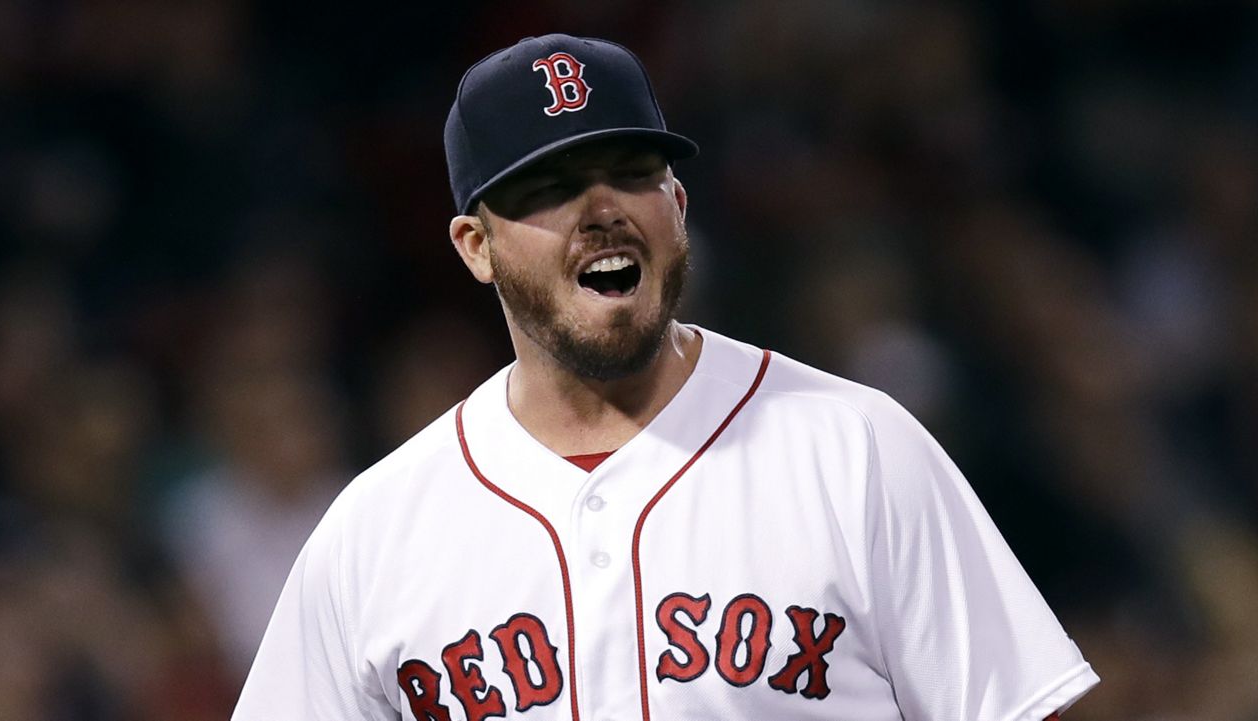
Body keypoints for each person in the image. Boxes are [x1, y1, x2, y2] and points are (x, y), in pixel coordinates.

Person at [233, 33, 1098, 720]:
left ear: (677, 209)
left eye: (631, 172)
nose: (601, 206)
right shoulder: (374, 535)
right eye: (551, 185)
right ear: (476, 246)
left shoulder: (859, 450)